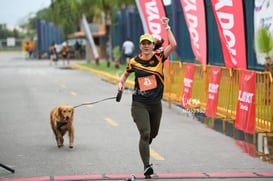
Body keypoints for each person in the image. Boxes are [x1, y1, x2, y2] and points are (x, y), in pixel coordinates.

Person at [117, 17, 177, 178]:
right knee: (144, 133)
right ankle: (147, 166)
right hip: (139, 103)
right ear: (140, 45)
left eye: (148, 43)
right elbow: (124, 75)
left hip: (155, 104)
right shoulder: (134, 61)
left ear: (152, 45)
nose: (146, 45)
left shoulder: (159, 57)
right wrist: (121, 83)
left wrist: (167, 27)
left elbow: (173, 45)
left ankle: (147, 142)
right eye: (143, 43)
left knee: (153, 134)